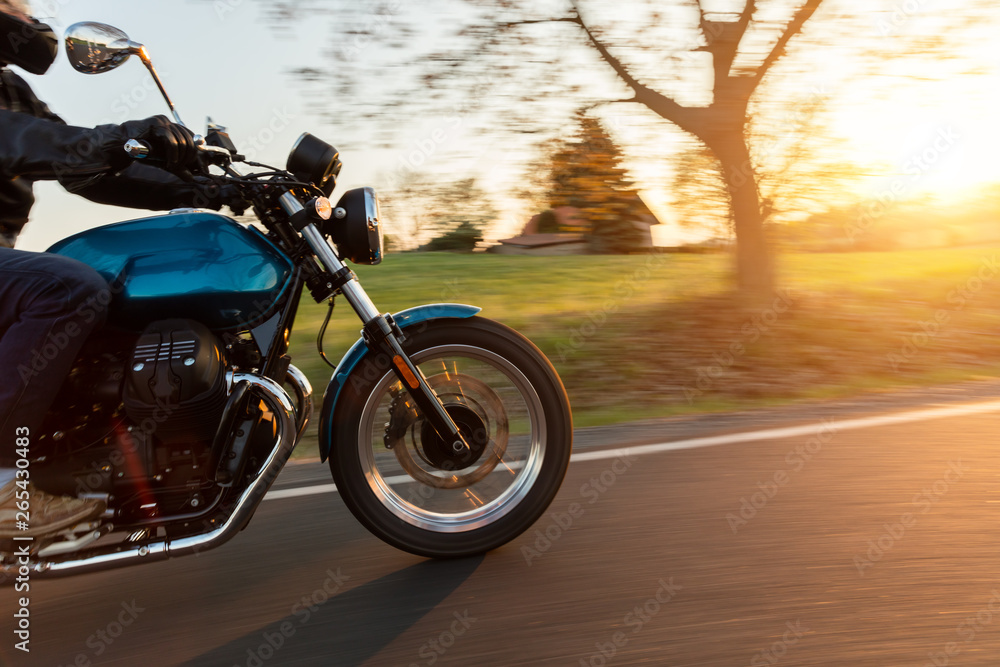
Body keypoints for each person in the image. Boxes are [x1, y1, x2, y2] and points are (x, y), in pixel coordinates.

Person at [0, 0, 241, 539]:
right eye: (14, 2)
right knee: (68, 287)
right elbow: (17, 141)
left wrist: (207, 185)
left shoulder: (10, 88)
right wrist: (122, 133)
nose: (27, 12)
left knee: (110, 296)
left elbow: (84, 168)